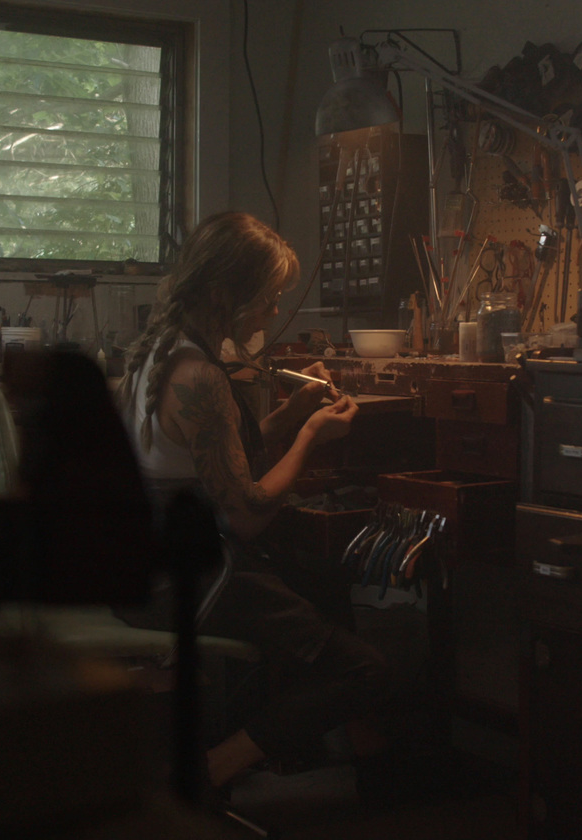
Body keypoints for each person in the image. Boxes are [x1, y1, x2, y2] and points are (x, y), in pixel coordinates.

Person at [115, 211, 389, 793]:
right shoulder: (199, 377)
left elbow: (212, 462)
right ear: (223, 294)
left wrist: (289, 416)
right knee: (367, 670)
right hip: (189, 578)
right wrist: (313, 436)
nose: (273, 311)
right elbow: (247, 512)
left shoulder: (164, 350)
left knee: (323, 584)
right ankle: (212, 768)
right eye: (268, 298)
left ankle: (348, 759)